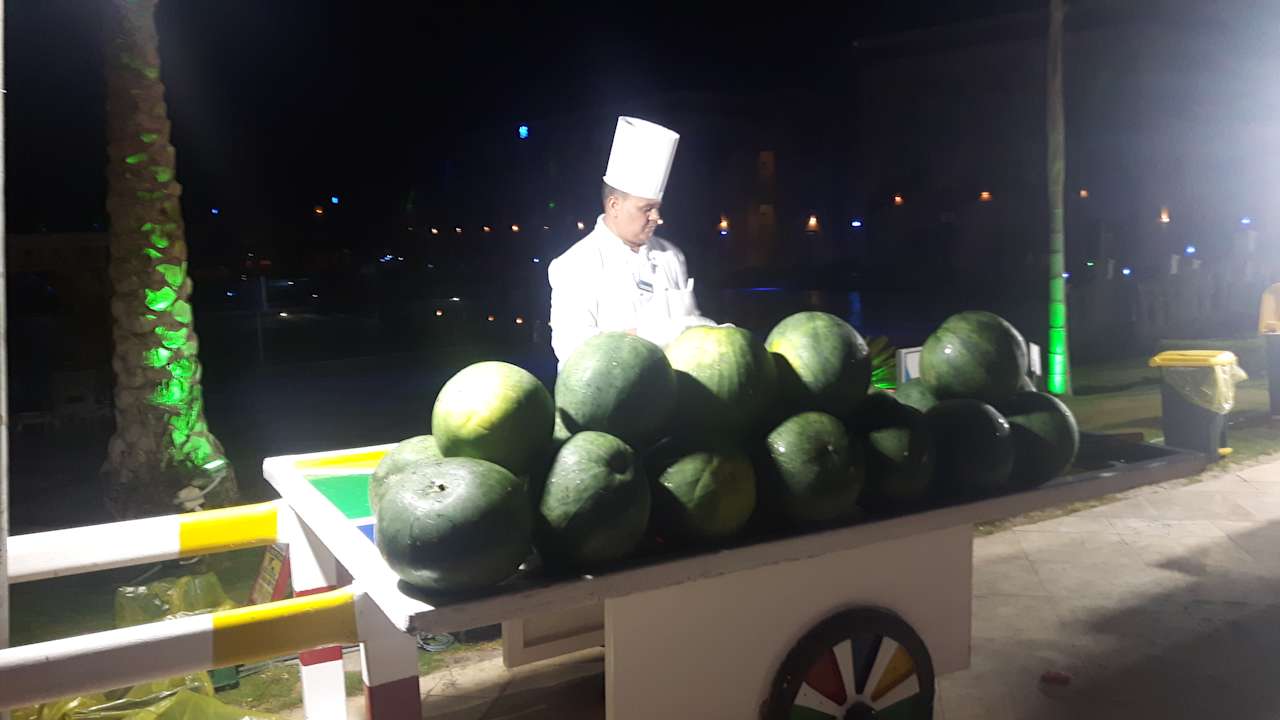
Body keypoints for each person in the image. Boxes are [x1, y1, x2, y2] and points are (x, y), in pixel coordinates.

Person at [547, 116, 714, 365]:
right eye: (646, 209)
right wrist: (655, 336)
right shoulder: (575, 264)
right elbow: (573, 349)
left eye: (657, 207)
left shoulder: (672, 256)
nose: (656, 217)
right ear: (614, 205)